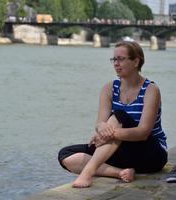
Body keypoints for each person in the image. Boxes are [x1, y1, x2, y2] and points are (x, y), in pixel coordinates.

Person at [58, 41, 168, 188]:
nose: (116, 63)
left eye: (121, 59)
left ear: (136, 61)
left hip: (150, 155)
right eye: (114, 59)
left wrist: (109, 133)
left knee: (119, 115)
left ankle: (87, 173)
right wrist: (102, 129)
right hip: (122, 150)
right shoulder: (109, 88)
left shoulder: (151, 90)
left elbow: (143, 132)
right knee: (66, 155)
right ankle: (120, 172)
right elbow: (100, 124)